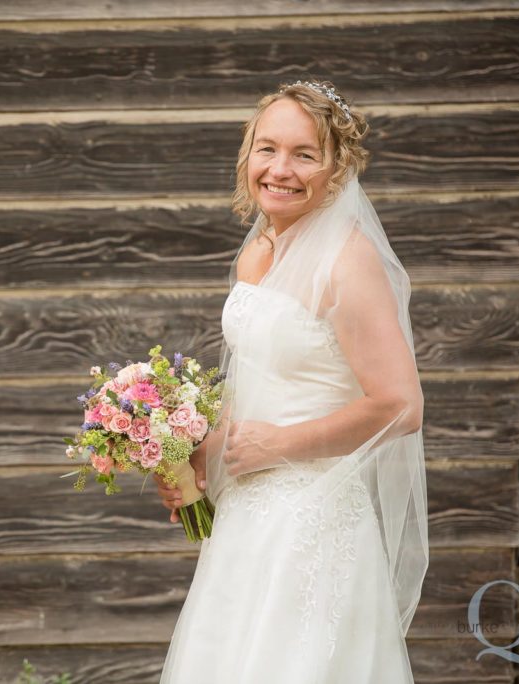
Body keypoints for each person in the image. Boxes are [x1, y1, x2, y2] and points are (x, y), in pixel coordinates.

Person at [154, 80, 429, 682]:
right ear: (246, 154)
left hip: (313, 520)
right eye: (266, 148)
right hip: (246, 517)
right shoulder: (259, 250)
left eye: (305, 154)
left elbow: (400, 406)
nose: (280, 169)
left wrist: (271, 445)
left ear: (337, 169)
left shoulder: (347, 261)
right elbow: (263, 378)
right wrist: (198, 453)